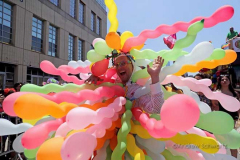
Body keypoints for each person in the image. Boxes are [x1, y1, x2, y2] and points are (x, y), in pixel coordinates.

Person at [85, 53, 165, 114]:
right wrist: (94, 79)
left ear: (132, 66)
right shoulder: (110, 84)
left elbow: (156, 109)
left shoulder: (138, 89)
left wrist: (155, 77)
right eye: (117, 65)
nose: (119, 67)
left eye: (123, 63)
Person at [212, 74, 240, 158]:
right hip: (221, 119)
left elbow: (238, 106)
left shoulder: (234, 93)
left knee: (232, 139)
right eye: (222, 79)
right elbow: (215, 106)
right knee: (222, 140)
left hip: (232, 118)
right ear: (220, 82)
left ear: (229, 81)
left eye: (226, 79)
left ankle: (234, 158)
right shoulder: (216, 93)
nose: (224, 81)